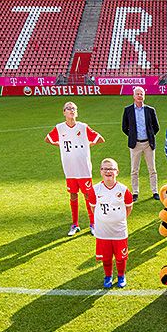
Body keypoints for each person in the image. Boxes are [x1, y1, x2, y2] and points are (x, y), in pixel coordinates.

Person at [46, 101, 104, 236]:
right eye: (68, 108)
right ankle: (75, 224)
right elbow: (48, 139)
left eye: (74, 108)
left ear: (77, 113)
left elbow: (100, 138)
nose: (71, 110)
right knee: (73, 194)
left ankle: (92, 223)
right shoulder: (59, 128)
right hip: (69, 167)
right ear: (64, 112)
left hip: (83, 167)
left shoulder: (83, 127)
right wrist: (59, 145)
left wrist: (88, 144)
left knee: (88, 194)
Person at [88, 158, 133, 288]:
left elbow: (129, 207)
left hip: (119, 230)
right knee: (106, 257)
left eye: (111, 168)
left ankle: (121, 275)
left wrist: (119, 219)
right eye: (105, 168)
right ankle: (108, 275)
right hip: (102, 231)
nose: (108, 171)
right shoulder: (95, 189)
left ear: (117, 172)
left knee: (120, 257)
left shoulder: (124, 190)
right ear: (101, 172)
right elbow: (93, 207)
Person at [121, 86, 160, 201]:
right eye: (137, 94)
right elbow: (124, 127)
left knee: (152, 169)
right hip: (135, 145)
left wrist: (149, 136)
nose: (139, 96)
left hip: (148, 144)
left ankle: (155, 191)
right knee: (134, 170)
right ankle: (135, 192)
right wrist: (133, 136)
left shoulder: (150, 110)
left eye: (141, 94)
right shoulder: (128, 110)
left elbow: (156, 127)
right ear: (133, 96)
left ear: (144, 96)